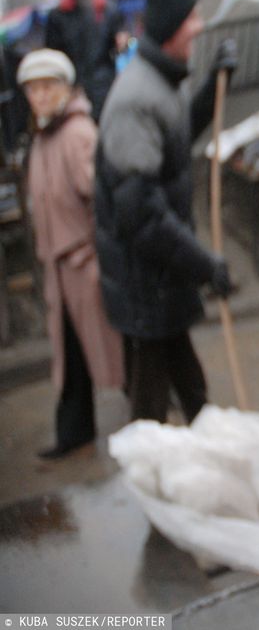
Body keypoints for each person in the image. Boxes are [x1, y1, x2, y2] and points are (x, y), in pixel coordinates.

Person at [94, 0, 237, 424]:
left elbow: (172, 147)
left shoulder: (162, 80)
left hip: (161, 275)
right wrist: (204, 264)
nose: (199, 26)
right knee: (151, 408)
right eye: (192, 18)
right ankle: (150, 484)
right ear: (171, 26)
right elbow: (141, 216)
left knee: (189, 385)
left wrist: (216, 82)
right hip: (146, 280)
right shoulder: (134, 100)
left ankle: (205, 456)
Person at [18, 49, 126, 459]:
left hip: (84, 264)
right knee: (74, 356)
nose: (40, 96)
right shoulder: (44, 137)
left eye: (48, 87)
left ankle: (152, 412)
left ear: (65, 89)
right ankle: (74, 432)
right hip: (60, 269)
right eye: (33, 89)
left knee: (114, 345)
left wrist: (97, 256)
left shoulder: (77, 134)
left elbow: (103, 199)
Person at [44, 0, 127, 121]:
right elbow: (53, 56)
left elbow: (120, 40)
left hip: (103, 86)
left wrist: (122, 42)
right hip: (72, 88)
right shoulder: (59, 15)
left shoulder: (109, 9)